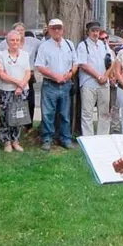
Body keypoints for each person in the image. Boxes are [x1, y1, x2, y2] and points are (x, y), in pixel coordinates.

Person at [35, 18, 77, 151]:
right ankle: (47, 139)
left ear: (63, 29)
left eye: (59, 28)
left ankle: (66, 139)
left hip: (66, 84)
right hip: (50, 84)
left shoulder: (69, 44)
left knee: (65, 114)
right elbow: (40, 66)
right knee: (48, 113)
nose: (57, 31)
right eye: (54, 28)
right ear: (49, 30)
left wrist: (70, 74)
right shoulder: (44, 46)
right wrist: (56, 76)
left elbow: (75, 63)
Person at [0, 22, 41, 132]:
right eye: (18, 30)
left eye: (22, 30)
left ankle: (28, 126)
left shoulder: (31, 42)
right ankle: (8, 132)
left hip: (27, 78)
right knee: (9, 107)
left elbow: (43, 44)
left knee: (29, 102)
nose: (20, 32)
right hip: (9, 80)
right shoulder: (4, 45)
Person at [0, 30, 31, 152]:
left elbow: (28, 72)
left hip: (22, 90)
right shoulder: (1, 55)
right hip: (6, 89)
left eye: (17, 40)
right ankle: (6, 142)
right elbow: (1, 73)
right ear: (7, 42)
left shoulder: (25, 55)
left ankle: (15, 140)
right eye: (12, 40)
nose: (15, 42)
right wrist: (17, 83)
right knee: (5, 116)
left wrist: (21, 86)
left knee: (18, 116)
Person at [77, 21, 112, 136]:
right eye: (93, 31)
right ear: (88, 32)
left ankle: (103, 137)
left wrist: (105, 76)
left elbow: (111, 63)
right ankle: (88, 138)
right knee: (87, 113)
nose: (95, 33)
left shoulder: (104, 45)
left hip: (103, 84)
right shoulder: (83, 45)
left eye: (97, 31)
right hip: (88, 84)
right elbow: (83, 64)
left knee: (104, 113)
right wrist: (98, 76)